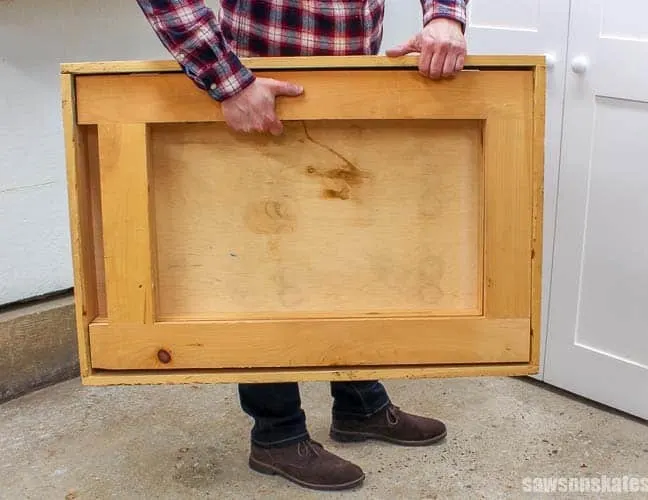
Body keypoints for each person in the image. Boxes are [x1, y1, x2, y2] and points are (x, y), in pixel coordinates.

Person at [136, 0, 469, 491]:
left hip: (351, 75)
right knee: (266, 263)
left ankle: (359, 405)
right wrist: (228, 79)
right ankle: (277, 433)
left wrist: (444, 14)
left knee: (343, 247)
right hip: (261, 86)